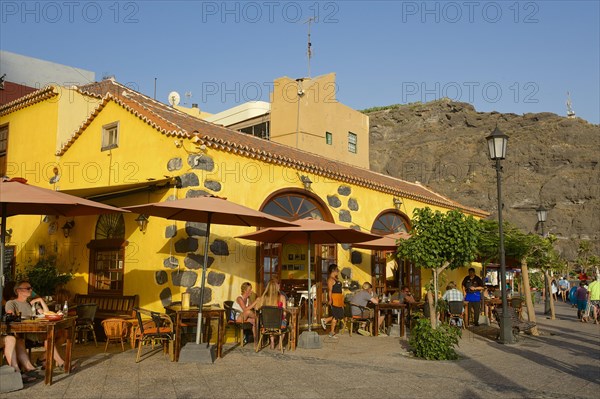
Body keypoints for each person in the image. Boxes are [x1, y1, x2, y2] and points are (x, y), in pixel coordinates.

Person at [4, 280, 65, 374]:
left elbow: (46, 313)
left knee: (61, 335)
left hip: (37, 330)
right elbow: (10, 317)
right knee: (49, 337)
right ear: (18, 291)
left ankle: (43, 359)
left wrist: (40, 300)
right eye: (28, 288)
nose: (31, 290)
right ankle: (60, 363)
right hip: (24, 332)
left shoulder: (31, 303)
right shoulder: (11, 303)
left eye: (31, 288)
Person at [255, 280, 287, 349]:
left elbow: (256, 308)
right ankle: (280, 344)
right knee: (284, 322)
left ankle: (272, 342)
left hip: (266, 324)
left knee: (270, 322)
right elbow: (284, 313)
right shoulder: (282, 297)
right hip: (279, 324)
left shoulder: (264, 297)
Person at [320, 264, 344, 339]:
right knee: (337, 315)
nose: (338, 271)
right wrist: (330, 299)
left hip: (339, 298)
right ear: (333, 270)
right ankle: (331, 331)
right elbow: (330, 291)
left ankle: (327, 322)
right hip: (334, 298)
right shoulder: (330, 279)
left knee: (339, 315)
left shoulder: (336, 278)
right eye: (337, 270)